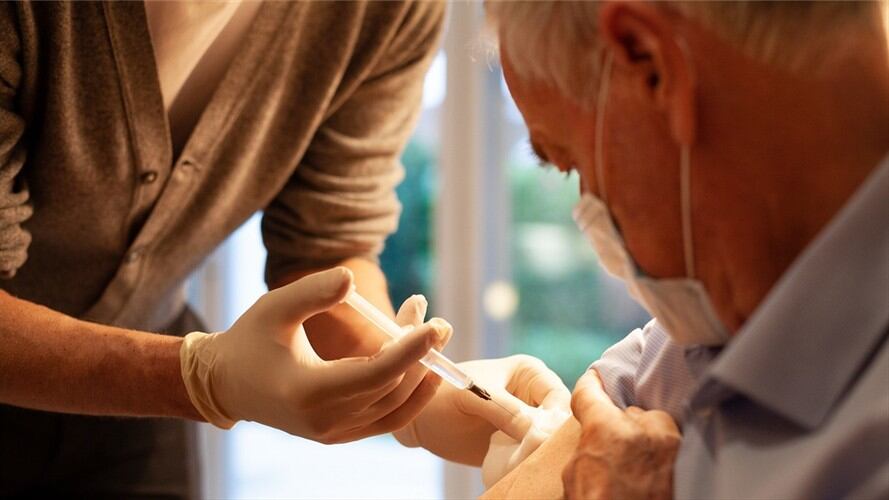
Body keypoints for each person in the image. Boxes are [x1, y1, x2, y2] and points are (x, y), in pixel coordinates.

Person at [0, 1, 569, 497]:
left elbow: (326, 242)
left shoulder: (387, 10)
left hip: (134, 412)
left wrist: (420, 388)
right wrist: (201, 378)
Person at [487, 0, 889, 498]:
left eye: (570, 161)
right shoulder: (734, 292)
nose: (590, 204)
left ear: (650, 64)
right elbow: (603, 409)